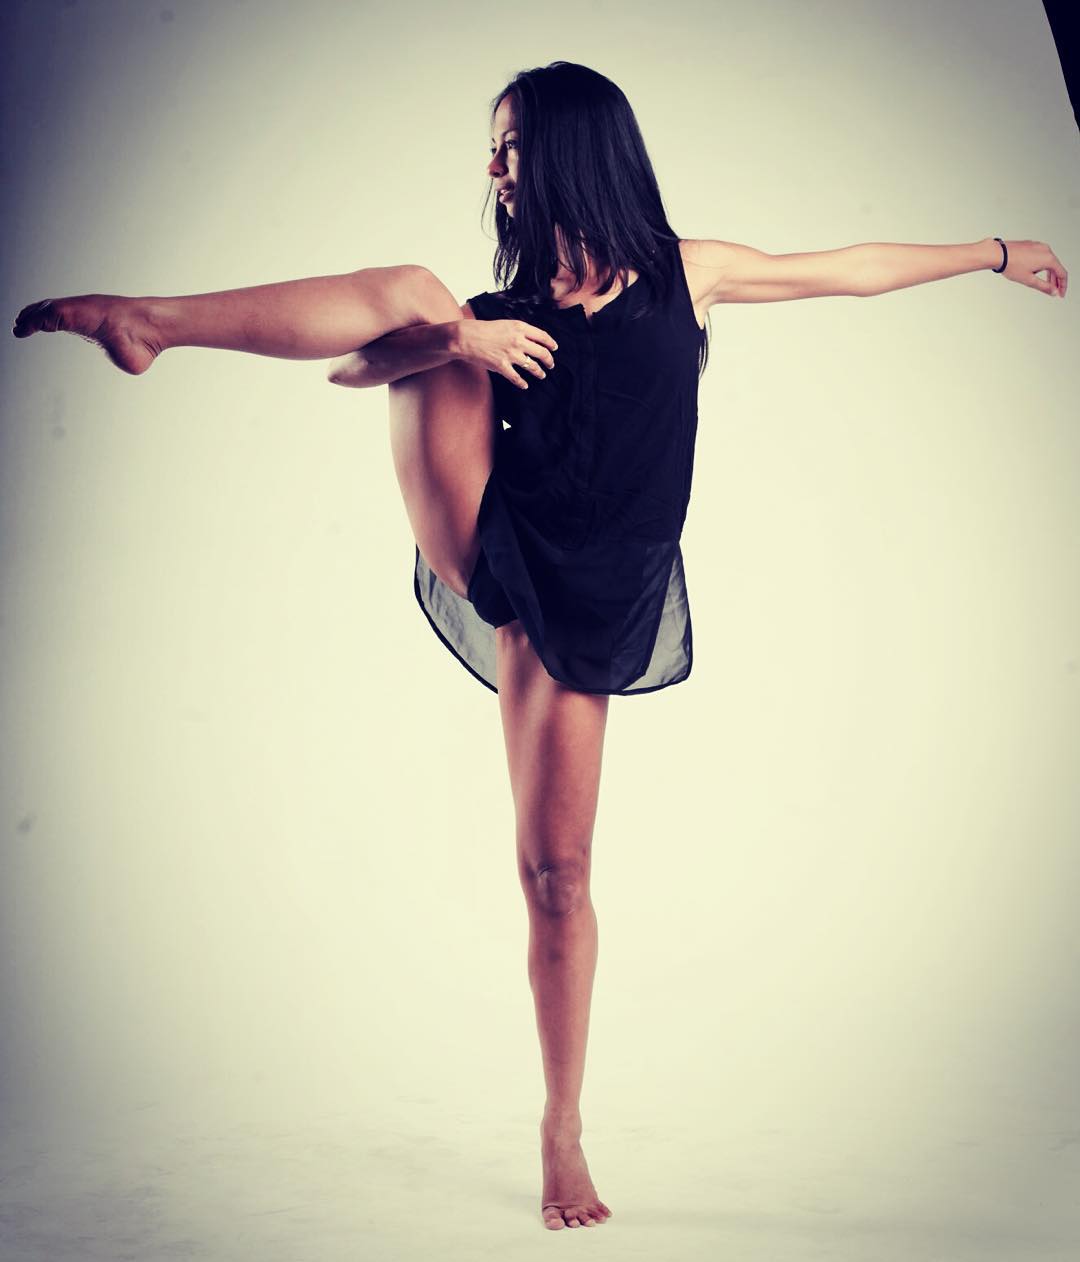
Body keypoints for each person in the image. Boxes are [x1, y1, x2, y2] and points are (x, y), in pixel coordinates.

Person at [10, 60, 1068, 1232]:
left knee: (558, 877)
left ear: (571, 145)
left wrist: (993, 252)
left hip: (597, 594)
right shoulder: (494, 306)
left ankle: (562, 1122)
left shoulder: (689, 274)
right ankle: (151, 322)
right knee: (416, 296)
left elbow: (849, 268)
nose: (494, 167)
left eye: (509, 144)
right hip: (494, 531)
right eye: (495, 147)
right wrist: (461, 339)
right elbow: (356, 367)